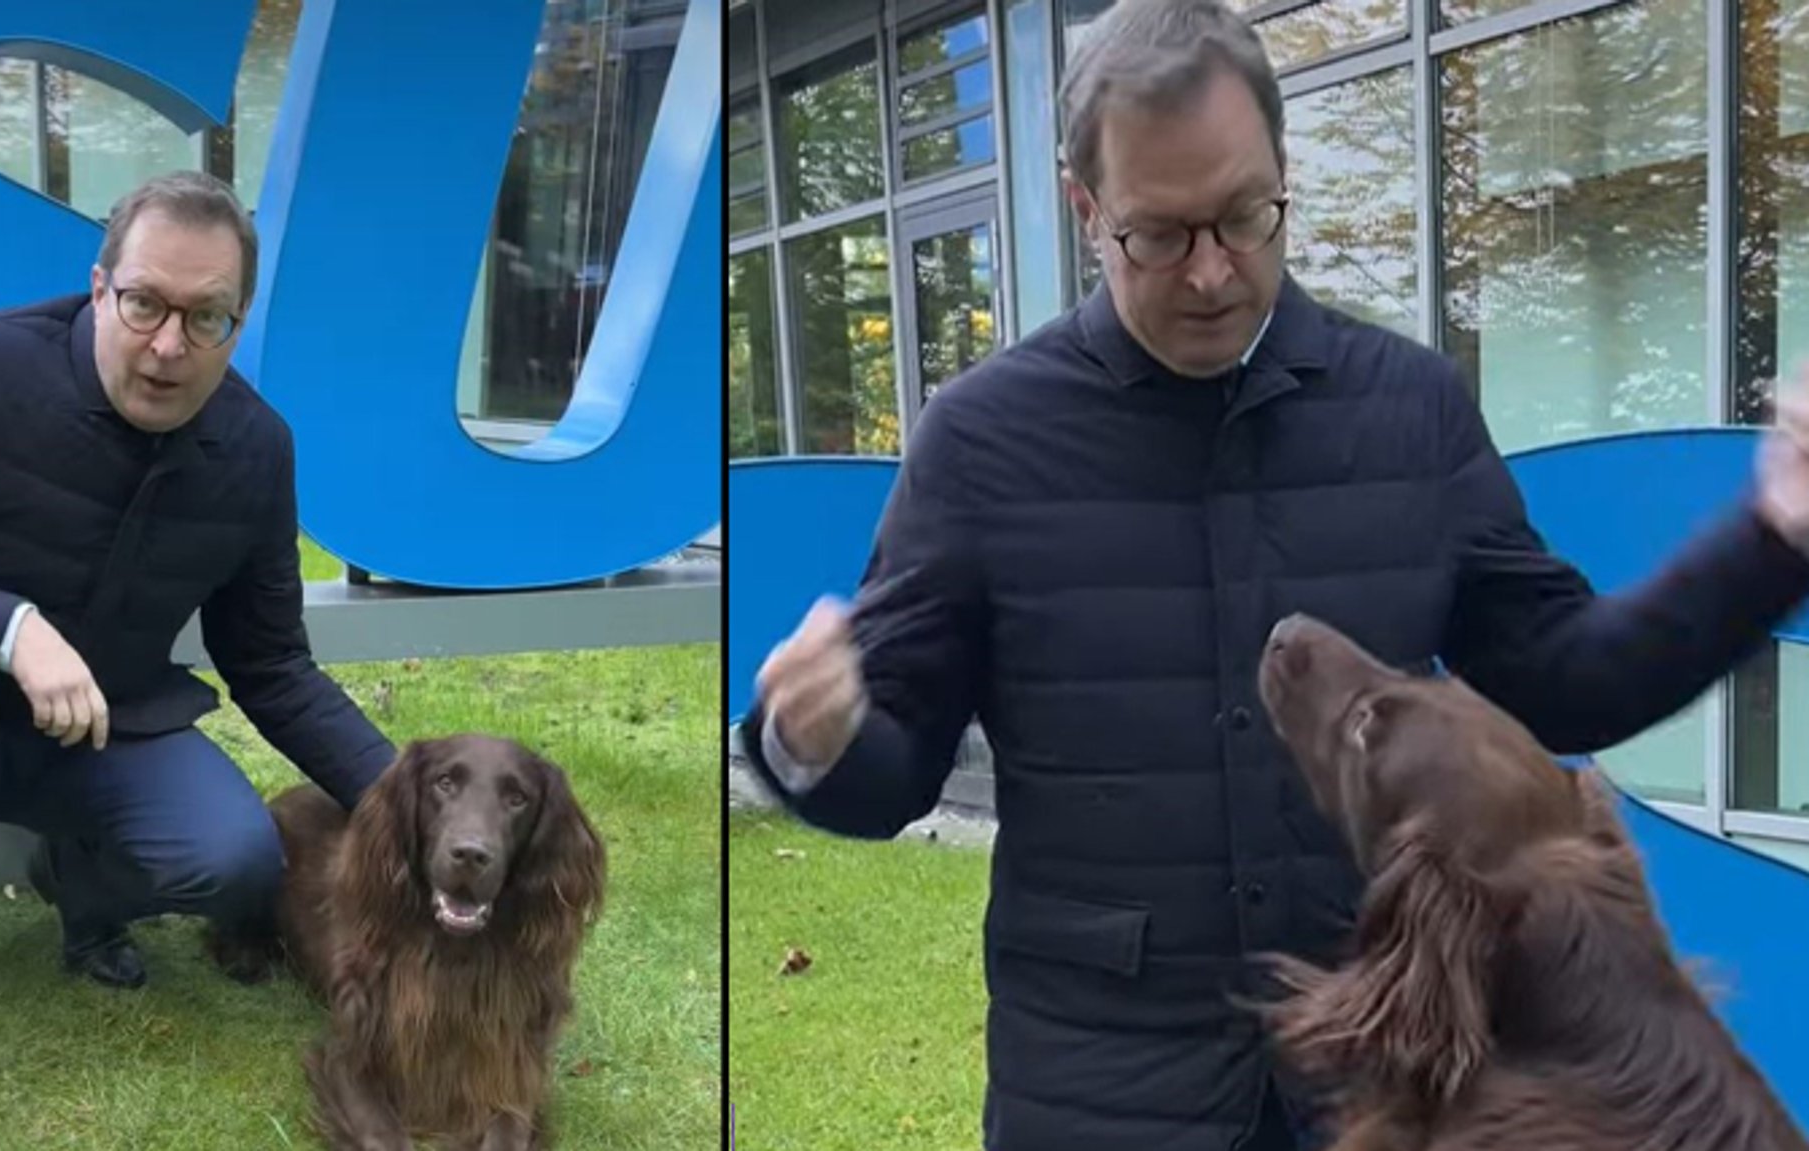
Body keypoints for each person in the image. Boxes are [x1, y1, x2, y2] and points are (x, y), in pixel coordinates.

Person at [740, 1, 1809, 1148]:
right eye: (1160, 233)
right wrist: (812, 735)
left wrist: (1772, 541)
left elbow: (1565, 680)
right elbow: (891, 771)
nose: (1210, 272)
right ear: (1083, 206)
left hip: (1380, 1088)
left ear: (1280, 174)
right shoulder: (980, 441)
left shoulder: (1410, 408)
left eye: (1246, 217)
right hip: (1100, 1094)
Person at [0, 170, 397, 1151]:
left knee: (240, 859)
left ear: (238, 323)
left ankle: (83, 890)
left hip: (108, 731)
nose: (166, 345)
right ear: (99, 283)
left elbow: (271, 662)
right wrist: (10, 628)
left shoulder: (255, 448)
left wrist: (403, 798)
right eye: (145, 301)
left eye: (205, 318)